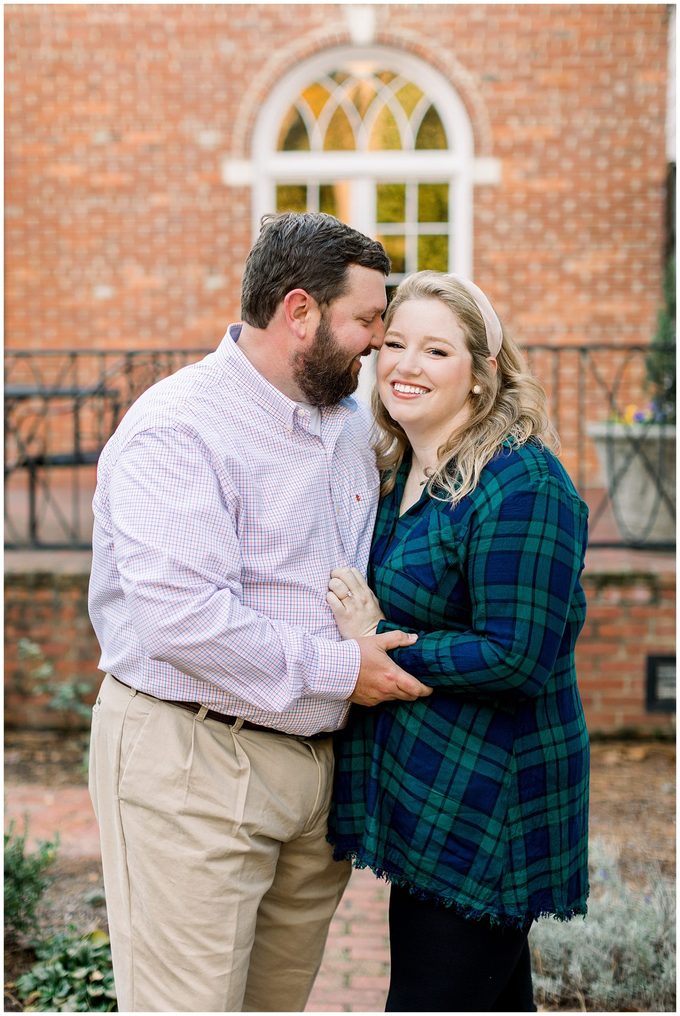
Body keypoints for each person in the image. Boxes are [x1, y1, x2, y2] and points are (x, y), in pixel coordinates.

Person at [87, 212, 432, 1014]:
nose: (379, 340)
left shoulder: (347, 423)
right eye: (369, 319)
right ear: (301, 312)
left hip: (317, 780)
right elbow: (185, 619)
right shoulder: (177, 428)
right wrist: (349, 670)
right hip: (192, 758)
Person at [326, 270, 590, 1013]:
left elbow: (517, 653)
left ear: (482, 374)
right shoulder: (401, 470)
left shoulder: (521, 482)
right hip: (431, 791)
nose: (405, 365)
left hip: (491, 806)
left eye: (436, 351)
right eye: (396, 344)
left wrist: (376, 642)